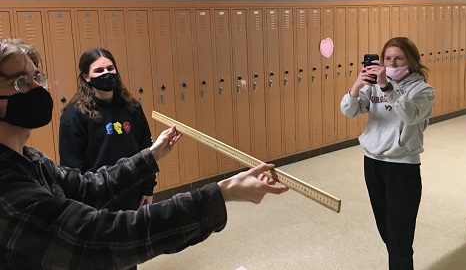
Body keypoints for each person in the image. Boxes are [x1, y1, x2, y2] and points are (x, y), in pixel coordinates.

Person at [0, 38, 288, 269]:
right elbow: (100, 237)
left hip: (124, 201)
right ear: (85, 78)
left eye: (37, 78)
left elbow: (89, 186)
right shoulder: (8, 188)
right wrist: (220, 193)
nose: (37, 88)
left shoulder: (31, 159)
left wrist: (151, 157)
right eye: (22, 82)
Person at [340, 37, 435, 270]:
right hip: (372, 162)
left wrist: (387, 87)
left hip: (402, 164)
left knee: (400, 235)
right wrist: (356, 86)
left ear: (410, 60)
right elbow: (349, 111)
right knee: (385, 229)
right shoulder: (373, 86)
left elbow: (411, 115)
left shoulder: (422, 90)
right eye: (388, 58)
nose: (392, 63)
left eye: (399, 58)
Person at [59, 48, 156, 212]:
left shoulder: (132, 108)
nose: (107, 73)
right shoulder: (74, 116)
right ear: (86, 77)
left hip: (133, 195)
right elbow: (72, 167)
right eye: (98, 70)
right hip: (97, 200)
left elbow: (146, 149)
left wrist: (148, 188)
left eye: (110, 69)